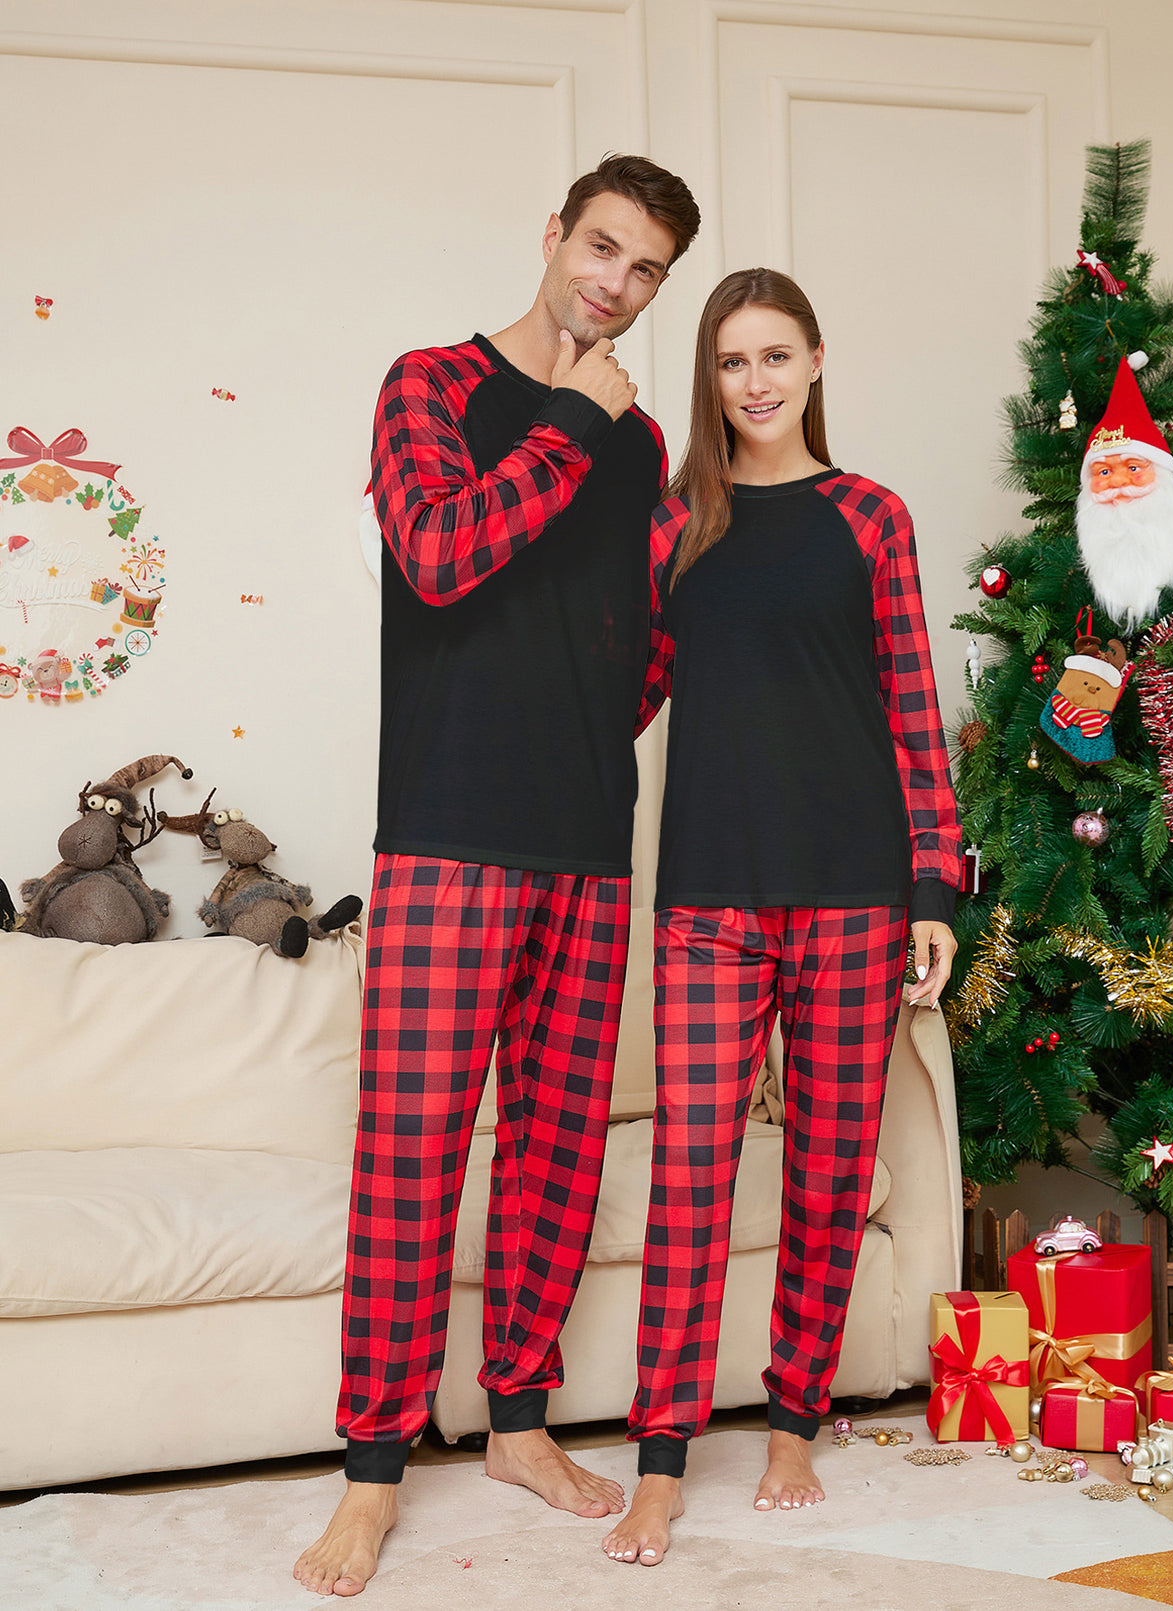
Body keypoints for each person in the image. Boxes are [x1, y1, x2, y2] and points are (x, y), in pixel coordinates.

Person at [294, 154, 699, 1598]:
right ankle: (371, 1476)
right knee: (411, 1159)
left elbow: (646, 636)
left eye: (643, 269)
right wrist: (576, 426)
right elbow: (440, 552)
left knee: (554, 1153)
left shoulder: (646, 448)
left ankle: (518, 1426)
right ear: (553, 237)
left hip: (589, 838)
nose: (613, 284)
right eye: (599, 248)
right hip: (448, 830)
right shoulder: (433, 386)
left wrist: (588, 719)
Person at [602, 268, 962, 1567]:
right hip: (705, 894)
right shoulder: (671, 523)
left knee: (822, 1177)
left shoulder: (869, 516)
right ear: (709, 379)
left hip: (854, 893)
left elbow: (910, 704)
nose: (751, 380)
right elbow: (623, 693)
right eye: (728, 361)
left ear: (813, 361)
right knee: (691, 1183)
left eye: (772, 355)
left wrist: (934, 885)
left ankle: (796, 1423)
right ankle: (659, 1460)